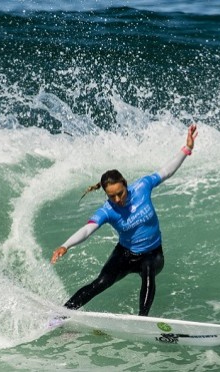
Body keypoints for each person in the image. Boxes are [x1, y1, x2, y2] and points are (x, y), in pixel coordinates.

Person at [50, 124, 198, 316]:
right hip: (125, 254)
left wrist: (187, 149)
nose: (118, 199)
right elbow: (87, 229)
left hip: (153, 254)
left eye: (120, 193)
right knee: (100, 283)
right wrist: (65, 246)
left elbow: (166, 171)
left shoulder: (143, 187)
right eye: (112, 196)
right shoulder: (107, 211)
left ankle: (142, 320)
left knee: (148, 274)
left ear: (126, 185)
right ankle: (62, 315)